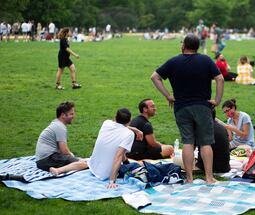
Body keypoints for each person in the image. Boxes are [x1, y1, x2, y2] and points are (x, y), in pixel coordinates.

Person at [150, 33, 224, 184]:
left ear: (184, 45)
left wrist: (168, 96)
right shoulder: (206, 60)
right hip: (203, 106)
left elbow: (154, 77)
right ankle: (209, 178)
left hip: (181, 107)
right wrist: (217, 100)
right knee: (205, 143)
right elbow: (220, 78)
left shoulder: (174, 61)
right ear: (197, 46)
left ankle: (189, 178)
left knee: (188, 142)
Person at [88, 108, 142, 189]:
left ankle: (126, 163)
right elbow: (118, 156)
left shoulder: (106, 123)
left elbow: (119, 126)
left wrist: (135, 129)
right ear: (129, 120)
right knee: (137, 166)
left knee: (120, 151)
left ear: (115, 117)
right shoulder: (129, 134)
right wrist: (112, 181)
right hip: (105, 174)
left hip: (93, 167)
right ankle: (127, 164)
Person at [35, 101, 88, 175]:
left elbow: (60, 150)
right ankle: (58, 170)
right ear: (63, 115)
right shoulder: (60, 127)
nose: (74, 116)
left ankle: (55, 168)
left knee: (78, 161)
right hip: (48, 159)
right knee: (84, 164)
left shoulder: (56, 123)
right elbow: (64, 151)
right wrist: (74, 158)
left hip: (41, 162)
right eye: (71, 114)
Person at [196, 109, 231, 173]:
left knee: (180, 160)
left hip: (209, 167)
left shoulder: (203, 128)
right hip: (225, 167)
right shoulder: (222, 128)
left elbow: (192, 147)